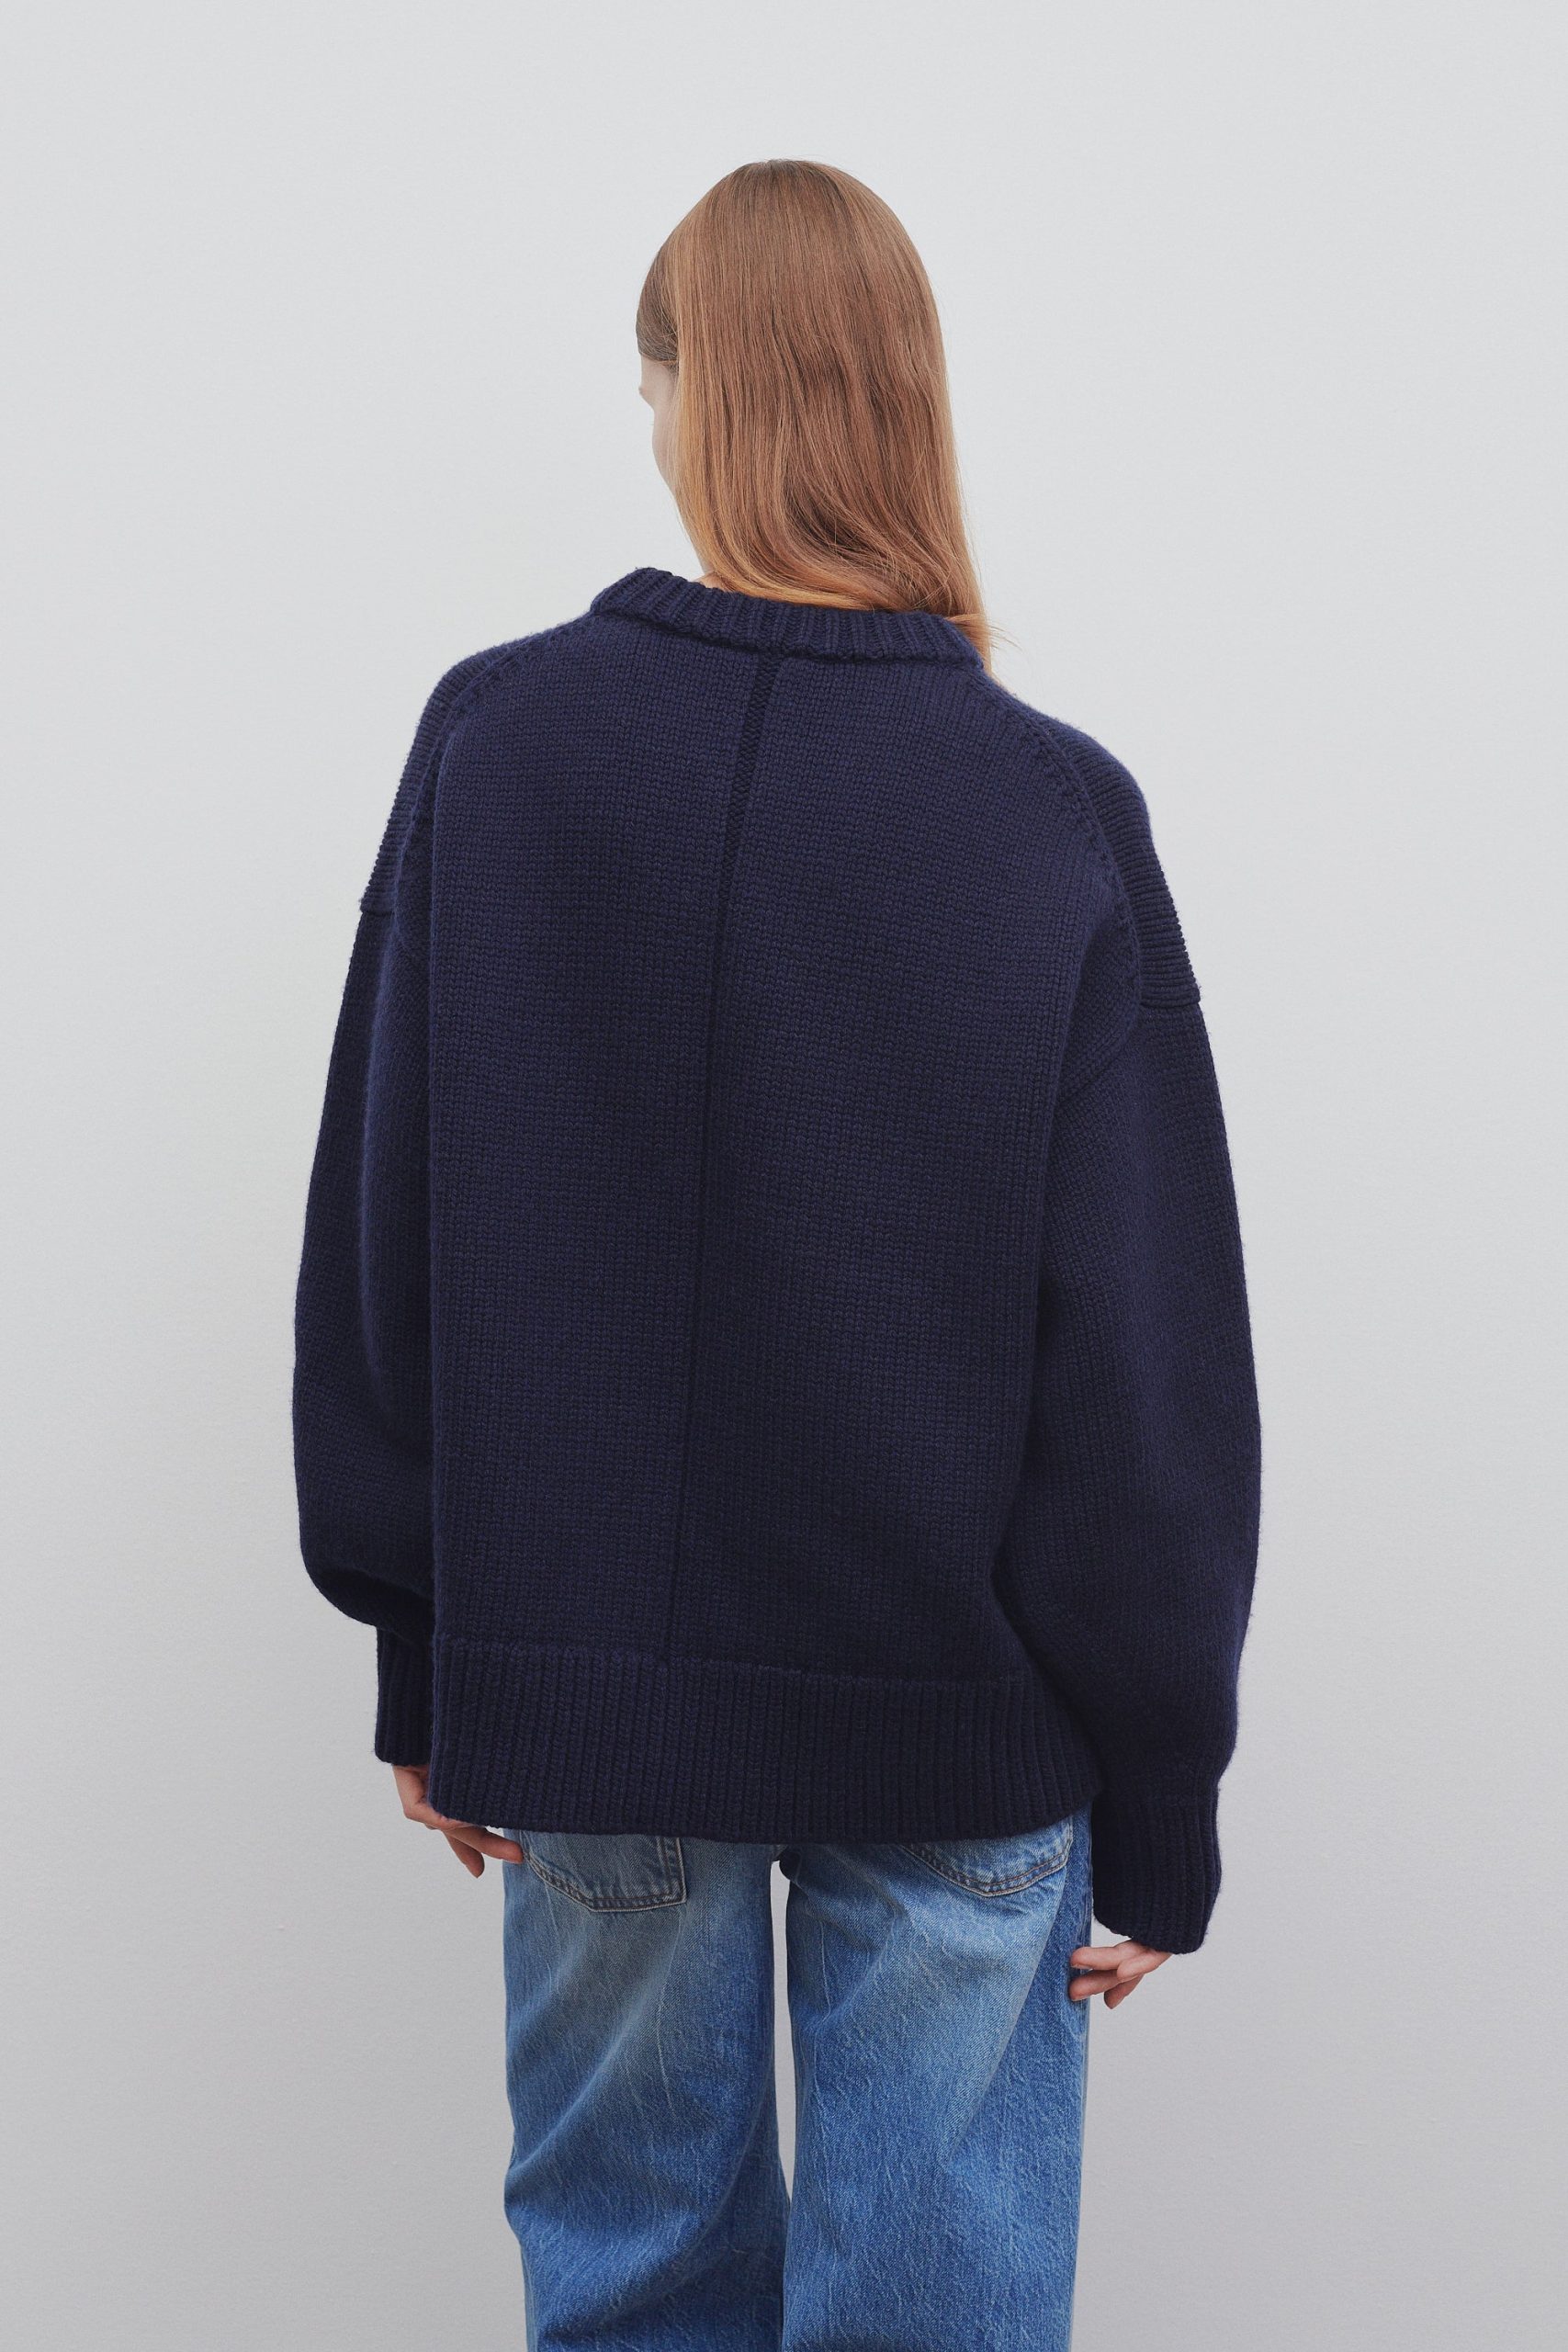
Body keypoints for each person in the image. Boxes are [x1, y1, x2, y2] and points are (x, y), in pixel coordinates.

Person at [293, 159, 1261, 2350]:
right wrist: (1159, 1793)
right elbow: (1139, 1363)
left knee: (630, 2290)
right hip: (959, 1719)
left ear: (685, 398)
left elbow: (386, 1231)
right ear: (907, 402)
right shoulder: (1046, 810)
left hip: (589, 1704)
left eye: (647, 386)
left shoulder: (495, 746)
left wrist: (428, 1644)